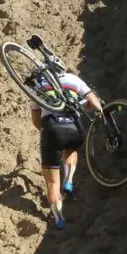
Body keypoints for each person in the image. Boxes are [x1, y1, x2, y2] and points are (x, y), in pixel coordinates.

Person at [27, 62, 101, 230]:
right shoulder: (73, 79)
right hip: (74, 126)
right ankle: (68, 179)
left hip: (52, 128)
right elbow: (95, 105)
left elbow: (36, 120)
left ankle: (59, 218)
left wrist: (47, 134)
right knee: (71, 148)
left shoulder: (39, 85)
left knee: (52, 183)